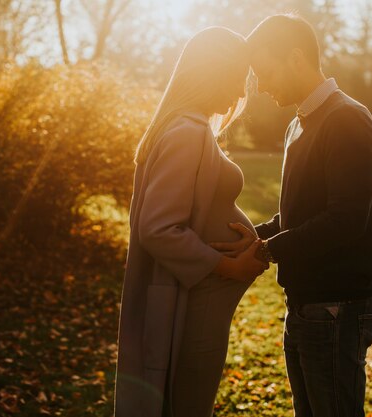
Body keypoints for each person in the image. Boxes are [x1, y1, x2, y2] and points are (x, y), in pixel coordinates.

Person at [212, 14, 372, 417]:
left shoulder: (346, 119)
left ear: (295, 58)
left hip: (336, 307)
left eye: (265, 71)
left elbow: (344, 219)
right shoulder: (299, 123)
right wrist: (255, 234)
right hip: (306, 304)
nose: (261, 85)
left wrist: (268, 250)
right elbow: (302, 211)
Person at [114, 27, 268, 417]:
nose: (238, 94)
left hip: (204, 305)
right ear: (211, 73)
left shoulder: (189, 128)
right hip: (194, 307)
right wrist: (226, 264)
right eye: (235, 80)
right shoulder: (186, 132)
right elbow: (158, 227)